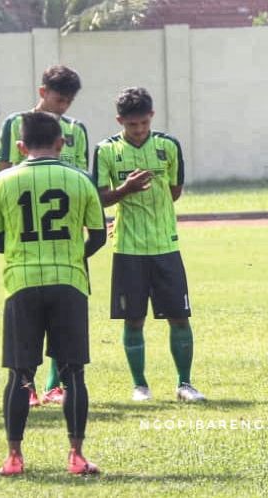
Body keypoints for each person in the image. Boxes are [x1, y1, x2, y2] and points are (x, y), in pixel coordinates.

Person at [0, 111, 106, 476]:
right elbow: (98, 235)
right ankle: (76, 455)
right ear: (61, 143)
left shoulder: (3, 181)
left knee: (21, 373)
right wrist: (71, 256)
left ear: (20, 146)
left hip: (22, 284)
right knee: (73, 372)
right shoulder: (80, 179)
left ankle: (14, 457)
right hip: (68, 282)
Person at [93, 87, 205, 403]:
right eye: (132, 125)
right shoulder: (106, 150)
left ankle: (185, 384)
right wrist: (126, 189)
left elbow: (175, 190)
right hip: (128, 247)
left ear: (151, 116)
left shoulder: (168, 146)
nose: (139, 130)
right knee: (134, 319)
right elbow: (100, 197)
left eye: (143, 123)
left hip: (165, 245)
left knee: (179, 316)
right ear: (120, 121)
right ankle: (140, 386)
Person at [0, 64, 88, 406]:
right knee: (29, 314)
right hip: (27, 235)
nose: (62, 107)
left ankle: (56, 384)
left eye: (68, 102)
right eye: (58, 99)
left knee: (65, 315)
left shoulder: (76, 130)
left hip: (66, 237)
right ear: (42, 92)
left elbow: (83, 178)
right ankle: (27, 385)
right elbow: (2, 172)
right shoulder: (14, 124)